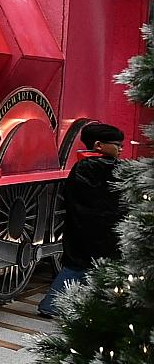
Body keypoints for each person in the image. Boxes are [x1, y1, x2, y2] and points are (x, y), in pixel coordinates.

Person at [39, 122, 127, 318]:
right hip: (97, 230)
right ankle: (52, 304)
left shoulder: (83, 166)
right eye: (117, 144)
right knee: (80, 268)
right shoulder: (103, 168)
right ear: (98, 145)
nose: (121, 149)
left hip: (82, 228)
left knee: (79, 266)